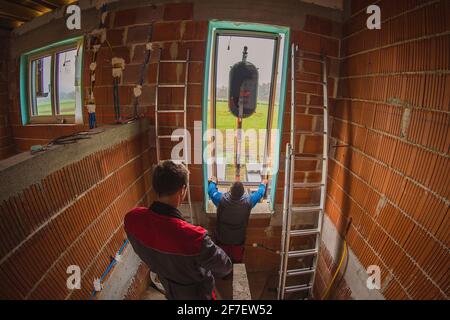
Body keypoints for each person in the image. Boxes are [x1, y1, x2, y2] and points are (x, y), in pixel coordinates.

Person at [124, 160, 232, 300]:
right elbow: (225, 266)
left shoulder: (133, 220)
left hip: (170, 290)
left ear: (156, 187)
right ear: (182, 191)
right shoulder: (194, 238)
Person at [208, 176, 268, 263]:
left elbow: (211, 191)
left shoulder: (221, 200)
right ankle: (236, 270)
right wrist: (263, 184)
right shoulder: (248, 201)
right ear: (243, 192)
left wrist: (213, 182)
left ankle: (225, 274)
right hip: (239, 239)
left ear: (230, 191)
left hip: (222, 238)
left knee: (222, 260)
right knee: (237, 260)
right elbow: (259, 193)